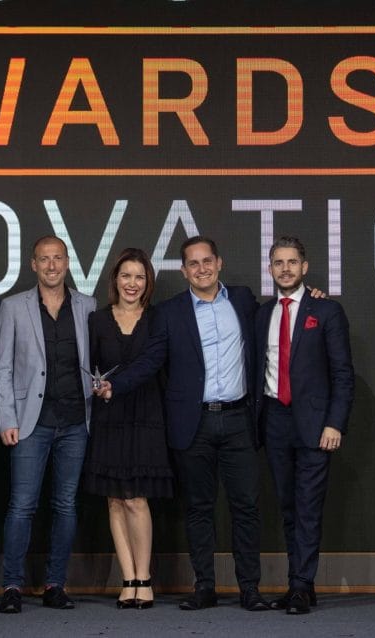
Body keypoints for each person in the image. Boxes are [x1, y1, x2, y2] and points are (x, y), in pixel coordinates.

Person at [99, 236, 270, 612]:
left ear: (219, 263)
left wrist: (312, 298)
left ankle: (250, 589)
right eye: (193, 263)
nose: (201, 269)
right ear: (183, 271)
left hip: (239, 419)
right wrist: (116, 385)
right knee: (198, 508)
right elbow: (151, 360)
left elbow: (276, 318)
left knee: (245, 507)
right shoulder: (170, 312)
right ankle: (204, 587)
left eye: (207, 261)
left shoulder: (243, 300)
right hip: (194, 422)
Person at [0, 235, 96, 613]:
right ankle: (11, 585)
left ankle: (55, 584)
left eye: (58, 258)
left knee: (65, 505)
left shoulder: (88, 306)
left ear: (67, 263)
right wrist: (7, 417)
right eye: (44, 259)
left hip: (76, 422)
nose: (51, 265)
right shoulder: (13, 306)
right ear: (33, 265)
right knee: (22, 506)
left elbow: (95, 361)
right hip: (29, 422)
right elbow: (3, 368)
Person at [255, 236, 354, 614]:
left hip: (315, 425)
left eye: (292, 262)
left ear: (305, 267)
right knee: (287, 507)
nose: (285, 269)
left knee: (308, 507)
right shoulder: (262, 313)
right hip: (274, 420)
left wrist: (335, 424)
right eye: (278, 263)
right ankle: (300, 583)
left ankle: (300, 584)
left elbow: (343, 374)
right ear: (270, 268)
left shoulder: (326, 311)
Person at [81, 248, 175, 610]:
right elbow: (88, 365)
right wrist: (97, 387)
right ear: (115, 280)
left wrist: (113, 386)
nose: (132, 283)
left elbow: (152, 362)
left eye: (139, 277)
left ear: (147, 282)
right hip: (108, 419)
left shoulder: (158, 319)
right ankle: (128, 579)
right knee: (115, 500)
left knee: (136, 499)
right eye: (126, 276)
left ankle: (145, 579)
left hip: (145, 416)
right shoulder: (96, 320)